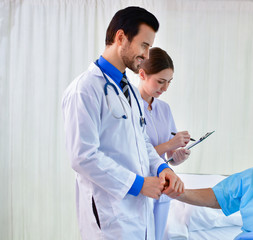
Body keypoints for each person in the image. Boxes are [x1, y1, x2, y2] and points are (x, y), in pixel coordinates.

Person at [61, 7, 184, 239]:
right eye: (144, 45)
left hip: (137, 214)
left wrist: (162, 168)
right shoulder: (85, 90)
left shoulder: (128, 91)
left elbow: (142, 141)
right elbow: (83, 156)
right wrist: (138, 184)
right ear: (121, 37)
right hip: (109, 217)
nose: (147, 55)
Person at [138, 47, 192, 239]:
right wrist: (170, 144)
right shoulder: (131, 107)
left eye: (169, 82)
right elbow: (136, 152)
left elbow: (169, 159)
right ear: (142, 74)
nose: (165, 88)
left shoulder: (164, 109)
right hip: (141, 186)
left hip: (162, 187)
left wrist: (178, 156)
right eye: (160, 81)